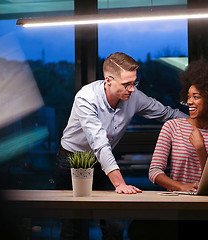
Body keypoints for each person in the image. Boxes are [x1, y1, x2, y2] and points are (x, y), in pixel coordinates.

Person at [55, 52, 188, 240]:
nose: (132, 89)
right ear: (108, 80)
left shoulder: (133, 95)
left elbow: (167, 114)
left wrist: (202, 124)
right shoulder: (86, 97)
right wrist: (120, 184)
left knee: (114, 226)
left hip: (103, 164)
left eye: (134, 82)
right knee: (73, 228)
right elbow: (99, 143)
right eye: (127, 84)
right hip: (72, 161)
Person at [130, 59, 208, 240]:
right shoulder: (172, 127)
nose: (189, 102)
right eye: (188, 96)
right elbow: (154, 171)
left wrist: (201, 149)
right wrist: (182, 187)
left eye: (196, 97)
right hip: (175, 211)